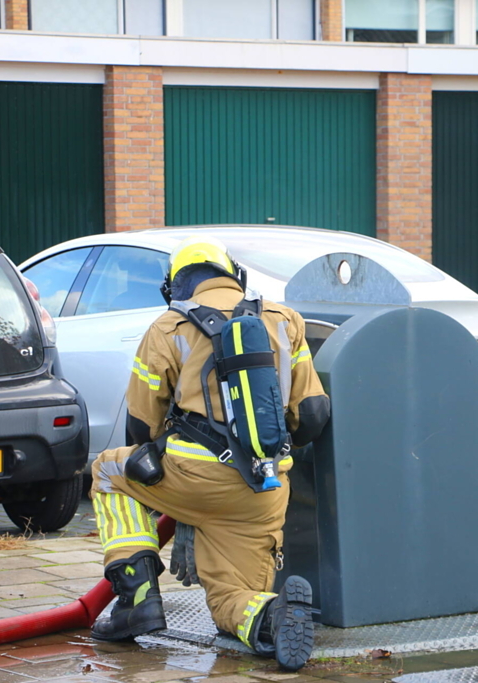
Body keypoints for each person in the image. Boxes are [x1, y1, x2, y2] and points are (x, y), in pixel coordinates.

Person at [89, 236, 330, 671]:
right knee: (228, 600)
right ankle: (271, 616)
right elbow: (311, 416)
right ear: (234, 275)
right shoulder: (285, 320)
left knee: (108, 471)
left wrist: (181, 501)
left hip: (193, 479)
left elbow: (141, 428)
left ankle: (137, 598)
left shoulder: (168, 327)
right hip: (264, 490)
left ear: (177, 286)